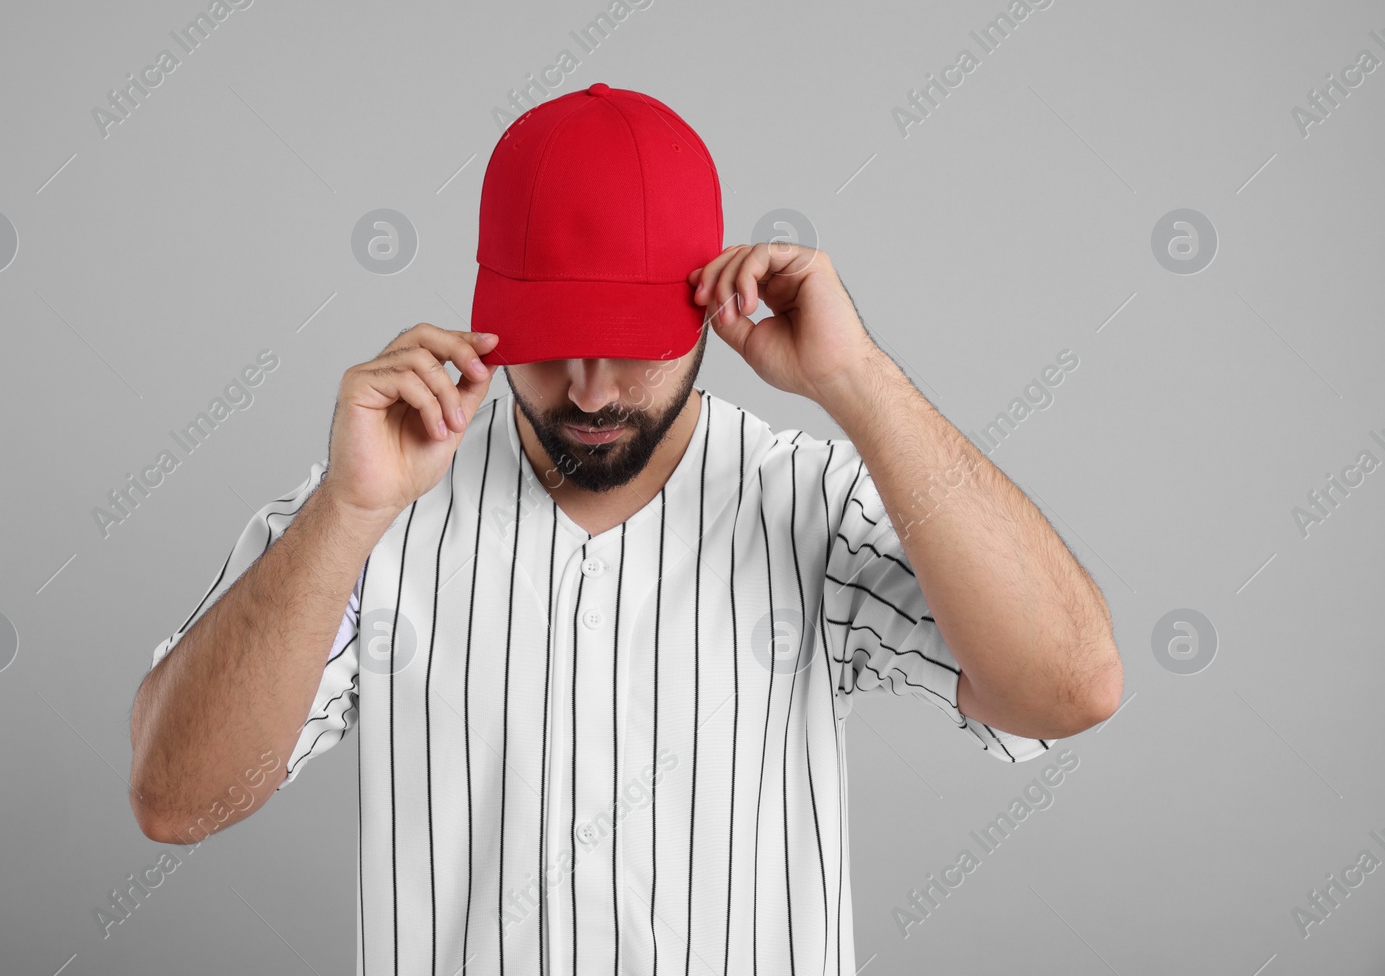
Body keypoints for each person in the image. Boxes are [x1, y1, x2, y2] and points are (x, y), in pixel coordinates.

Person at [127, 84, 1122, 974]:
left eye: (632, 343)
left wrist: (857, 380)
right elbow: (178, 798)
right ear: (491, 316)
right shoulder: (370, 508)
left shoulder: (811, 502)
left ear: (704, 311)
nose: (592, 389)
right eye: (554, 342)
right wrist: (344, 514)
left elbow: (1067, 689)